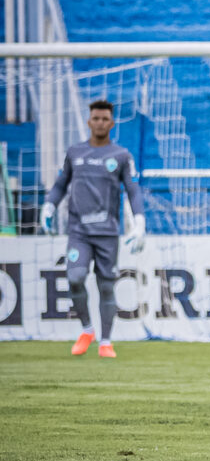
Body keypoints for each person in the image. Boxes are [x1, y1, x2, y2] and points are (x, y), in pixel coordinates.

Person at [40, 99, 146, 359]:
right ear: (89, 122)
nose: (99, 123)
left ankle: (106, 342)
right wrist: (49, 206)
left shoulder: (120, 156)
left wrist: (140, 221)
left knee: (106, 286)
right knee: (75, 277)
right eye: (95, 118)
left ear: (111, 123)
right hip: (79, 231)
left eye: (104, 119)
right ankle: (87, 330)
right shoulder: (75, 153)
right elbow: (60, 184)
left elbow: (133, 189)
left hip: (108, 232)